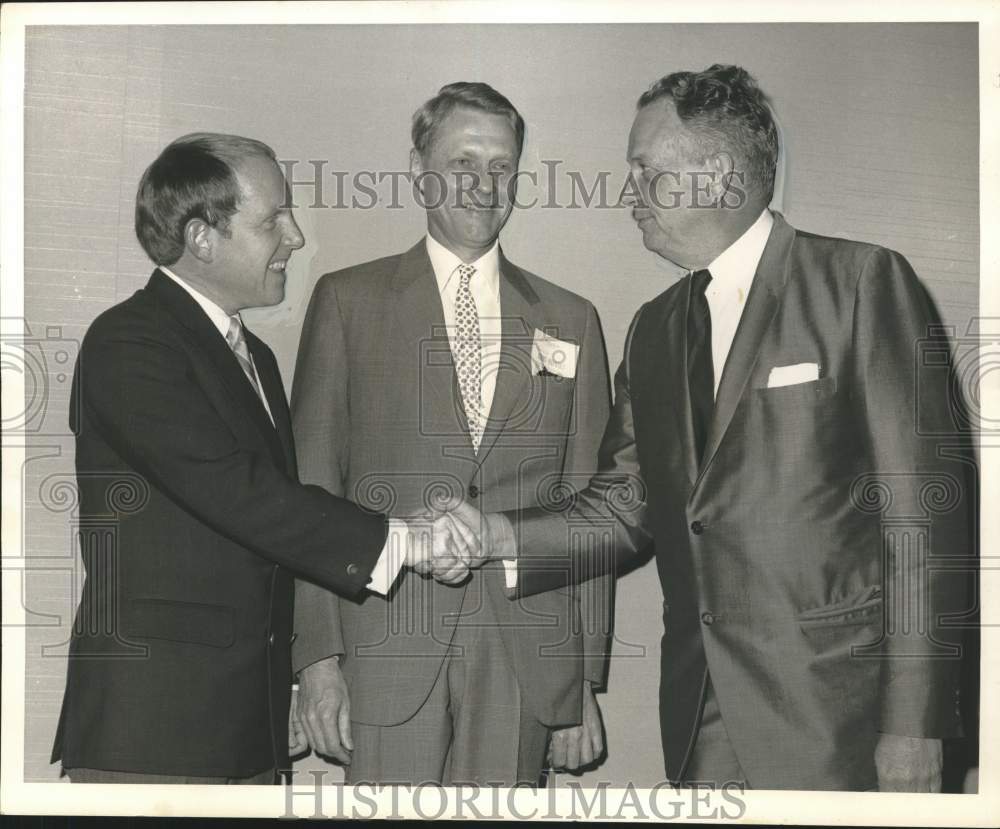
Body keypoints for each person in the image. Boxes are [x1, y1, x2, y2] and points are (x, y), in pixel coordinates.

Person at [467, 65, 970, 791]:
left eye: (646, 170)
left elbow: (921, 520)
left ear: (723, 177)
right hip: (701, 718)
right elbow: (625, 503)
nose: (628, 193)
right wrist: (497, 535)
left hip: (841, 721)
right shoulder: (654, 329)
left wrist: (915, 724)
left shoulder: (860, 283)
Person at [51, 133, 472, 785]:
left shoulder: (257, 359)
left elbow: (261, 533)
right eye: (273, 217)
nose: (296, 236)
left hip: (244, 733)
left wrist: (296, 680)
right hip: (154, 737)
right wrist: (406, 538)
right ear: (201, 237)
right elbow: (241, 495)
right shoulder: (129, 342)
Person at [290, 82, 612, 786]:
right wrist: (316, 661)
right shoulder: (349, 303)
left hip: (526, 655)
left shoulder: (572, 319)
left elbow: (592, 503)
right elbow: (308, 493)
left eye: (502, 167)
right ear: (418, 169)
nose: (484, 184)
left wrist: (582, 678)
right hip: (383, 646)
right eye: (463, 162)